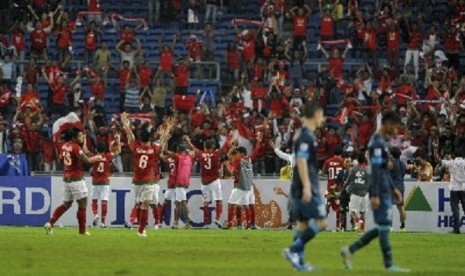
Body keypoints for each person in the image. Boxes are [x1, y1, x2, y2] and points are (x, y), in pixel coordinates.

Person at [341, 111, 409, 272]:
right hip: (380, 191)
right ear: (387, 124)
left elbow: (385, 170)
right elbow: (376, 171)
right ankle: (388, 264)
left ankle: (350, 250)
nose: (395, 131)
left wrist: (393, 189)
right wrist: (376, 194)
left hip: (386, 189)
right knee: (384, 227)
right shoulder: (376, 144)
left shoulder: (382, 143)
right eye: (394, 127)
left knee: (382, 227)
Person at [283, 103, 326, 272]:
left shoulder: (304, 135)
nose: (323, 119)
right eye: (321, 115)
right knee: (321, 222)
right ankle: (293, 250)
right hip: (304, 185)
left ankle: (298, 261)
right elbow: (301, 161)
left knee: (302, 224)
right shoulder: (306, 137)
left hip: (301, 184)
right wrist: (308, 187)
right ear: (315, 114)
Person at [44, 128, 103, 235]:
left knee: (66, 204)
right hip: (76, 179)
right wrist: (97, 157)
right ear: (74, 137)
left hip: (67, 179)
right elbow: (87, 161)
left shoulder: (65, 146)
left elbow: (60, 159)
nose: (81, 137)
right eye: (80, 136)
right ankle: (82, 231)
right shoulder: (75, 147)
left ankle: (50, 223)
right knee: (82, 205)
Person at [120, 113, 159, 237]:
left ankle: (139, 228)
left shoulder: (136, 147)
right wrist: (165, 133)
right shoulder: (153, 149)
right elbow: (162, 144)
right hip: (148, 181)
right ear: (150, 139)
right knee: (145, 205)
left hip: (136, 181)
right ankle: (141, 230)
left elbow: (130, 137)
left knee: (139, 204)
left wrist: (126, 124)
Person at [185, 137, 230, 228]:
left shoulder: (201, 154)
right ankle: (217, 218)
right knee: (218, 200)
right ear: (213, 147)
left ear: (204, 147)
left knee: (206, 202)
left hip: (204, 183)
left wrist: (189, 142)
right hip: (214, 180)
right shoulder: (216, 154)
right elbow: (224, 147)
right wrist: (229, 137)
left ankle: (206, 224)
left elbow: (194, 149)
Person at [89, 136, 121, 228]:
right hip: (105, 182)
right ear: (105, 149)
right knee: (104, 201)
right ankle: (103, 223)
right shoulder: (108, 156)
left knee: (94, 200)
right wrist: (118, 140)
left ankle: (95, 215)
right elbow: (118, 151)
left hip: (95, 182)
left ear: (97, 149)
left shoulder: (94, 156)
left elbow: (85, 150)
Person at [439, 149, 465, 234]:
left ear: (454, 155)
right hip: (464, 188)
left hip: (454, 188)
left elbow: (438, 160)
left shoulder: (452, 162)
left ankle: (456, 229)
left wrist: (435, 149)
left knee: (455, 209)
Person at [345, 153, 369, 234]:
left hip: (356, 193)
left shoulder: (354, 169)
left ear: (358, 161)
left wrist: (344, 189)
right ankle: (362, 230)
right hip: (365, 194)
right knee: (363, 212)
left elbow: (348, 180)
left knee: (352, 211)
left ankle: (358, 221)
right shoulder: (367, 170)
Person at [322, 145, 344, 231]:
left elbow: (323, 173)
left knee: (327, 206)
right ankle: (339, 226)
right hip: (339, 189)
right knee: (339, 207)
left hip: (329, 188)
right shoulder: (343, 161)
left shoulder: (328, 161)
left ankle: (322, 226)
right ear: (341, 153)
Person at [390, 147, 407, 232]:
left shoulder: (391, 163)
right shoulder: (403, 164)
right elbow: (403, 174)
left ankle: (390, 226)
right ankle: (403, 226)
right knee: (401, 207)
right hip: (401, 186)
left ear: (391, 155)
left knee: (389, 206)